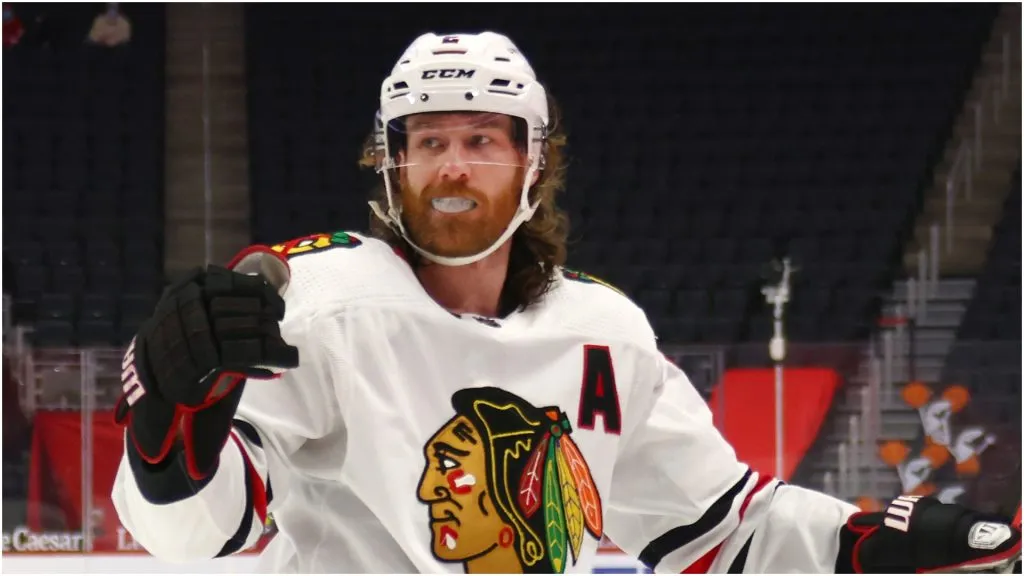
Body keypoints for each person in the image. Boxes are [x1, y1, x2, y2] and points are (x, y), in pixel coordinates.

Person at [109, 31, 1021, 573]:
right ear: (391, 164)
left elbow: (722, 531)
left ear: (533, 161)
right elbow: (195, 539)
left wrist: (863, 545)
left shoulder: (604, 330)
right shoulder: (314, 304)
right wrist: (168, 441)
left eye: (481, 139)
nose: (455, 166)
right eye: (428, 141)